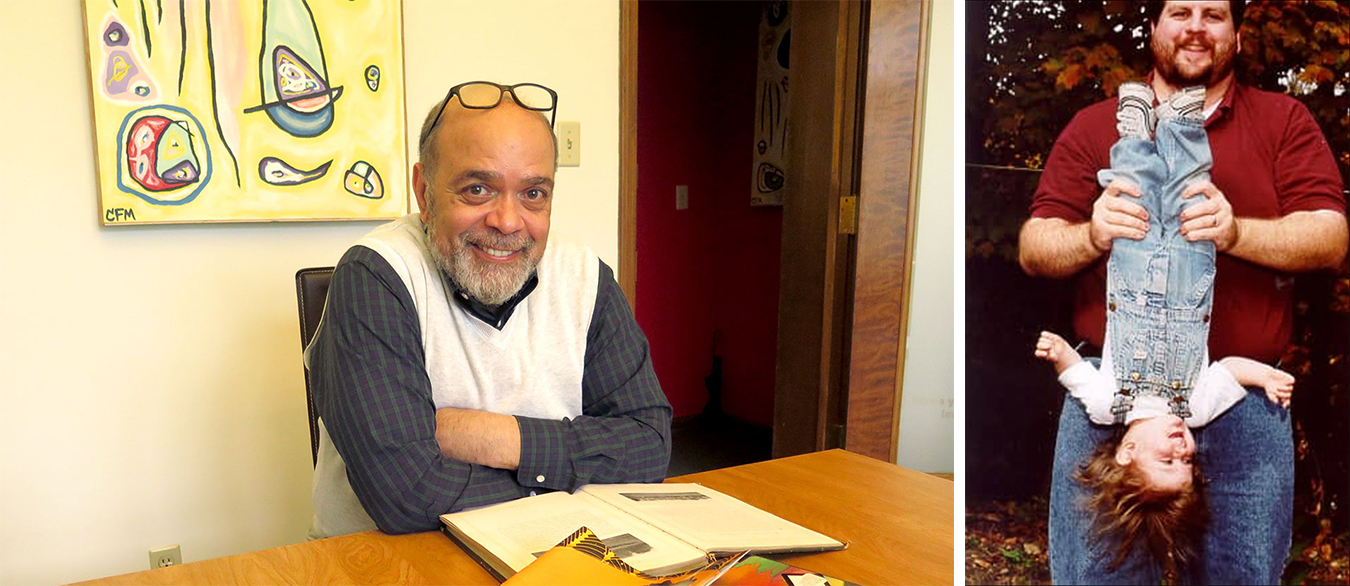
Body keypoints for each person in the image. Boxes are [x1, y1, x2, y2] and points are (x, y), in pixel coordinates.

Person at [1018, 1, 1347, 583]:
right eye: (1180, 11)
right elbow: (1036, 247)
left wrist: (1237, 231)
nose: (1196, 26)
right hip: (1112, 389)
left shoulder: (1283, 120)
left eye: (1213, 14)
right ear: (1153, 29)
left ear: (1238, 37)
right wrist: (1093, 235)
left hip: (1245, 401)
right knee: (1100, 575)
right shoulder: (1096, 127)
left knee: (1242, 575)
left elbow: (1330, 236)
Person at [305, 81, 673, 539]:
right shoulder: (376, 276)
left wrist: (492, 437)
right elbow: (406, 499)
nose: (508, 221)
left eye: (533, 193)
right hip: (392, 562)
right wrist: (573, 473)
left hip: (553, 548)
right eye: (478, 189)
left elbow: (650, 447)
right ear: (424, 190)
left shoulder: (585, 275)